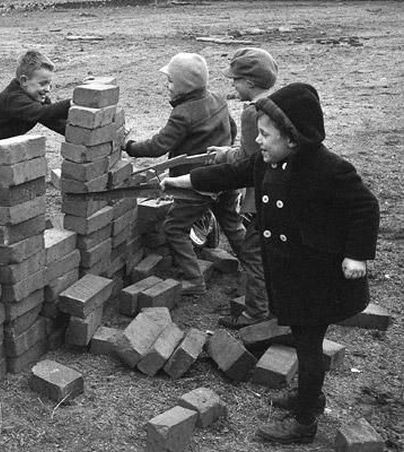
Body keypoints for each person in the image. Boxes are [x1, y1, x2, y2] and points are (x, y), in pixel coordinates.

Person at [160, 82, 379, 444]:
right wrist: (180, 181)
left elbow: (365, 207)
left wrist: (356, 254)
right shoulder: (267, 161)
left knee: (308, 348)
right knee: (298, 333)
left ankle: (305, 419)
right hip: (290, 272)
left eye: (265, 135)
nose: (258, 141)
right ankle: (308, 395)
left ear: (293, 138)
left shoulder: (329, 169)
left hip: (319, 279)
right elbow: (229, 174)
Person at [123, 52, 245, 295]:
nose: (167, 86)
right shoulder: (218, 99)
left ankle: (194, 280)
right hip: (225, 176)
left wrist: (129, 146)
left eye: (170, 82)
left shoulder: (183, 114)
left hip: (195, 183)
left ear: (184, 86)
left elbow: (159, 145)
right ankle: (255, 268)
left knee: (175, 228)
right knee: (232, 223)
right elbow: (231, 128)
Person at [209, 47, 279, 328]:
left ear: (249, 82)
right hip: (279, 192)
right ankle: (277, 299)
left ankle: (255, 313)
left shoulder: (252, 113)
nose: (233, 86)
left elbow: (250, 162)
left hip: (259, 196)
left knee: (253, 254)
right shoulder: (276, 103)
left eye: (235, 80)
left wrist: (223, 156)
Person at [0, 50, 71, 216]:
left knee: (2, 185)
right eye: (42, 84)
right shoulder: (14, 98)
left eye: (50, 84)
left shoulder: (37, 99)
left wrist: (82, 135)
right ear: (24, 81)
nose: (47, 89)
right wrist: (71, 102)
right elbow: (41, 114)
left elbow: (54, 121)